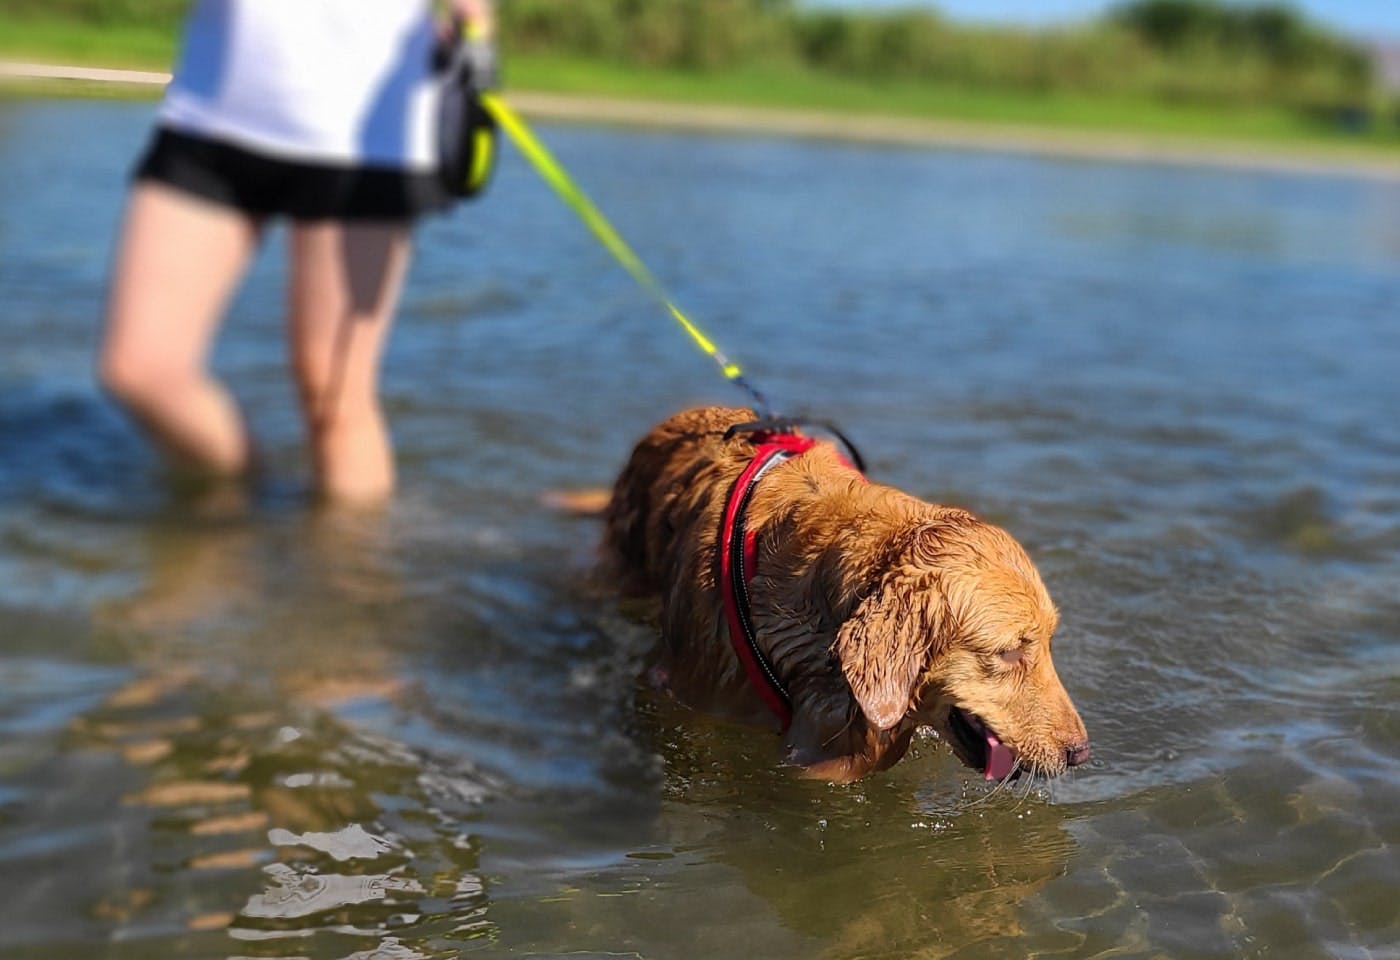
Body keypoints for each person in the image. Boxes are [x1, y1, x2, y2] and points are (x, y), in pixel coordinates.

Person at [99, 0, 493, 506]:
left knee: (335, 399)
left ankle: (347, 578)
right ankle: (245, 512)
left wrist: (475, 37)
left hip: (370, 135)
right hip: (211, 109)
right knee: (141, 370)